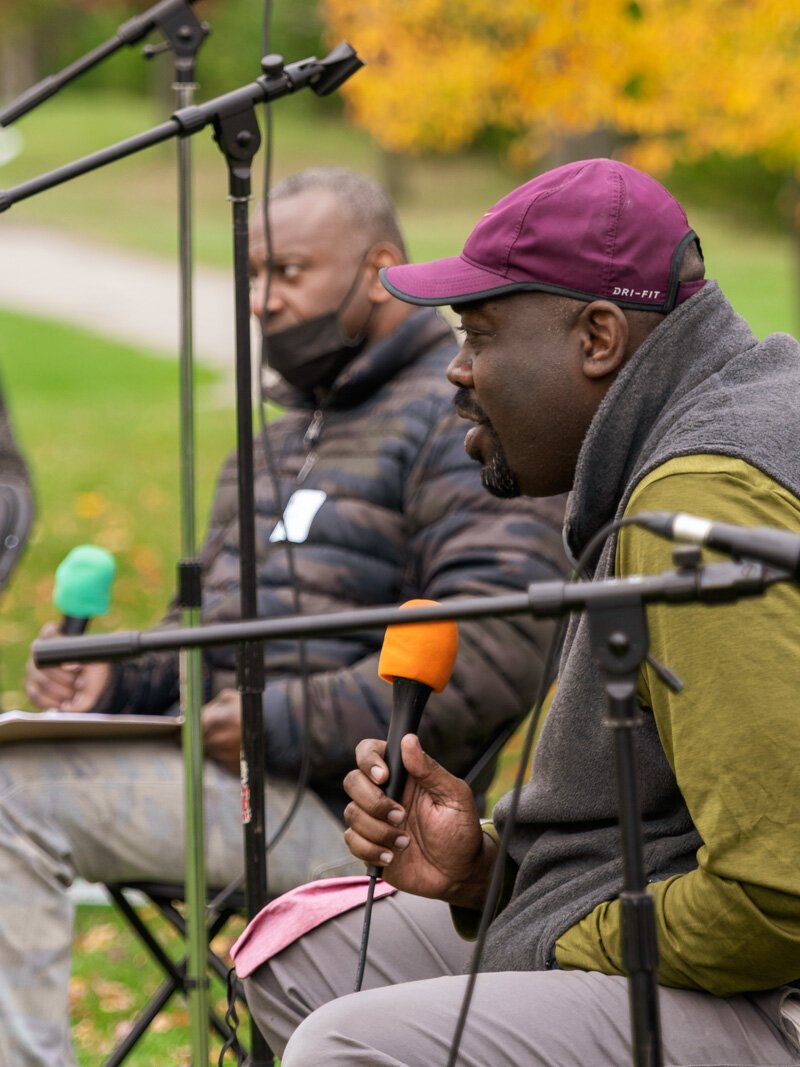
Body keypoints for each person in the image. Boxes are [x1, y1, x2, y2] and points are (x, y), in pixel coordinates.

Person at [242, 158, 800, 1067]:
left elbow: (795, 892)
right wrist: (491, 873)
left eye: (480, 333)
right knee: (305, 961)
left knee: (354, 1044)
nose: (456, 369)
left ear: (599, 337)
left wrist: (552, 938)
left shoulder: (712, 504)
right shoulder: (706, 423)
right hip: (789, 978)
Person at [5, 167, 565, 1065]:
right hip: (228, 782)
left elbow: (497, 642)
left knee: (6, 796)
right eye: (253, 274)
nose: (263, 300)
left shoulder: (461, 420)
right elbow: (208, 631)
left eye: (290, 272)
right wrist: (122, 676)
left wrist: (273, 721)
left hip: (357, 814)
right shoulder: (269, 440)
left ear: (380, 268)